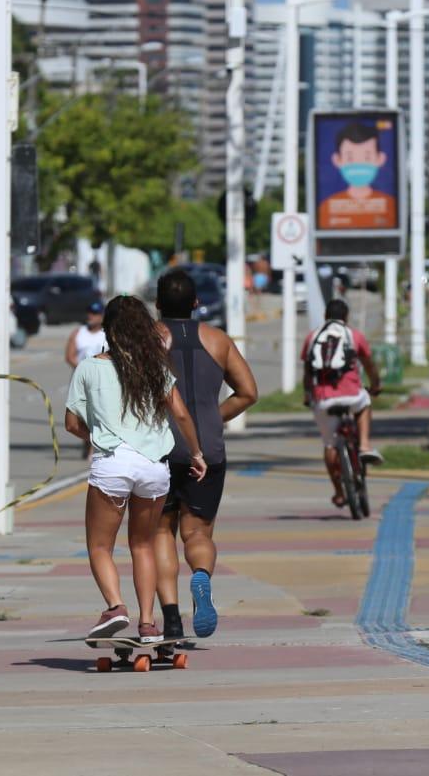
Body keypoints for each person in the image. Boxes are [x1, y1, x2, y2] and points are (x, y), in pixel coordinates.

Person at [64, 296, 208, 643]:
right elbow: (183, 415)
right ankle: (148, 624)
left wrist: (97, 436)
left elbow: (71, 424)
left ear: (108, 329)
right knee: (143, 545)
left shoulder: (89, 367)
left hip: (113, 464)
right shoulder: (156, 368)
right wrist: (197, 453)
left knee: (100, 547)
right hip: (154, 468)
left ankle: (115, 607)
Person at [152, 270, 259, 640]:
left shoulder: (147, 340)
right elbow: (248, 392)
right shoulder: (217, 340)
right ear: (197, 303)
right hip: (207, 449)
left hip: (158, 449)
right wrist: (213, 418)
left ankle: (171, 618)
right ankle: (200, 576)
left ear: (158, 304)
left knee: (159, 532)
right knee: (197, 532)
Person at [303, 299, 383, 508]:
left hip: (323, 400)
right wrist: (375, 385)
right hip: (352, 396)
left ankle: (339, 492)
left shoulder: (313, 337)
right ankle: (364, 445)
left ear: (325, 317)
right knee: (364, 403)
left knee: (330, 445)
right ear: (346, 317)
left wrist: (307, 394)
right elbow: (369, 364)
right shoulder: (354, 336)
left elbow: (307, 372)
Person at [316, 121, 397, 230]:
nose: (358, 163)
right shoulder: (325, 209)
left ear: (380, 159)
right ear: (337, 160)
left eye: (367, 157)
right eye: (350, 158)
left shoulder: (391, 206)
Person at [67, 301, 108, 458]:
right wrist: (84, 370)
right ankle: (88, 443)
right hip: (82, 379)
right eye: (90, 312)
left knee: (98, 414)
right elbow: (69, 356)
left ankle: (95, 445)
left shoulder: (106, 333)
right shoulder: (79, 333)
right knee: (82, 416)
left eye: (95, 313)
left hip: (102, 379)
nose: (91, 316)